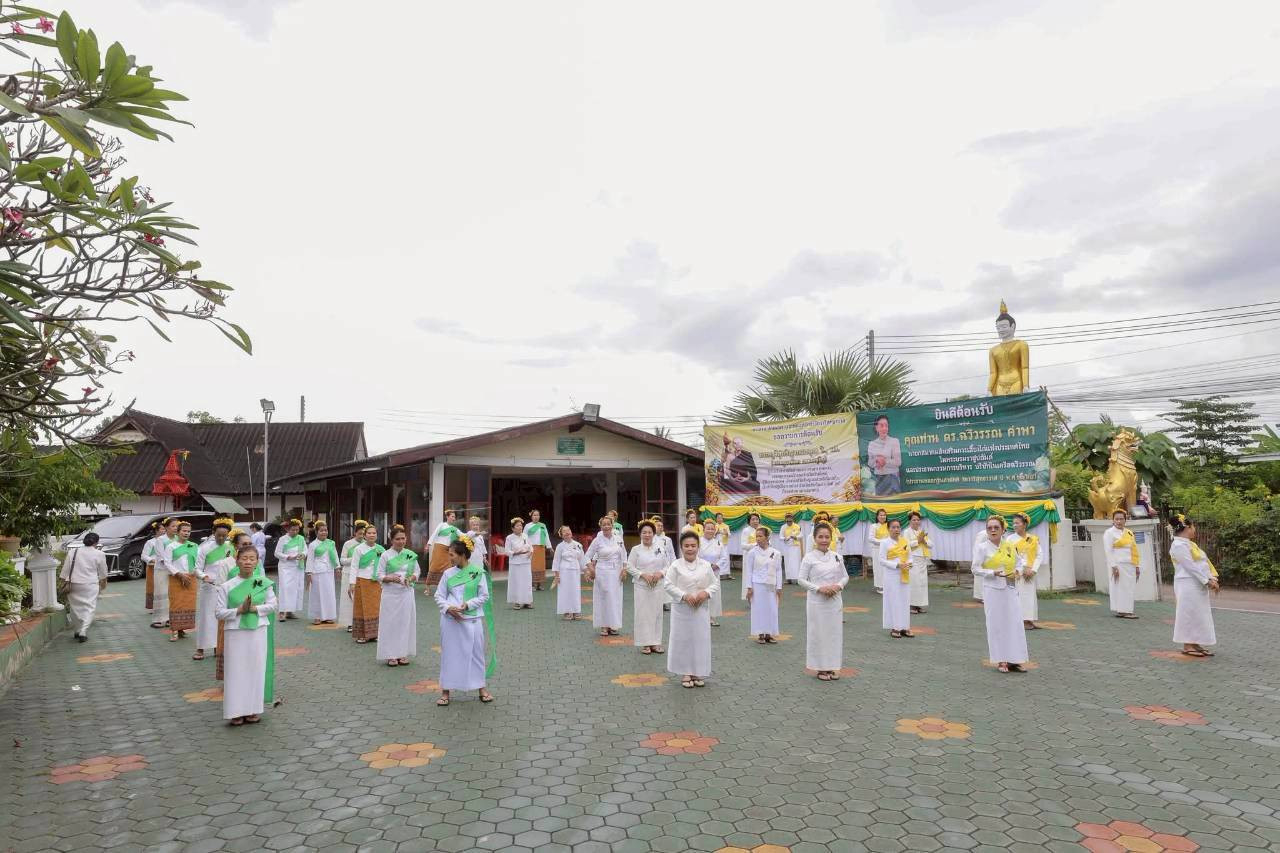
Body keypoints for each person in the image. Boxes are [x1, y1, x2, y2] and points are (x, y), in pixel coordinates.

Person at [215, 544, 277, 726]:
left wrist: (255, 609)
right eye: (244, 558)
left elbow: (273, 605)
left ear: (257, 562)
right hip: (235, 633)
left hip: (258, 631)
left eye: (252, 559)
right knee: (236, 670)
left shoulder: (263, 583)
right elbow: (218, 612)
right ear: (237, 560)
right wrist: (239, 610)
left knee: (255, 669)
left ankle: (253, 709)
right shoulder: (226, 586)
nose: (248, 562)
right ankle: (235, 711)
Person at [434, 537, 495, 705]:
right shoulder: (448, 574)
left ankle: (481, 688)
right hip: (450, 620)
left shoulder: (478, 572)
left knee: (476, 654)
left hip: (472, 619)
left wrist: (467, 605)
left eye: (452, 554)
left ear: (462, 555)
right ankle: (446, 691)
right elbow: (439, 595)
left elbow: (484, 596)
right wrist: (448, 608)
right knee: (450, 654)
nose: (450, 558)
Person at [971, 516, 1029, 673]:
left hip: (1010, 588)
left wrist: (1018, 571)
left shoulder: (1010, 546)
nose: (993, 530)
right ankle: (1001, 660)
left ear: (1003, 529)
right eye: (989, 528)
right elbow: (975, 569)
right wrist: (992, 573)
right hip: (992, 590)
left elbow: (1020, 563)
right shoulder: (982, 548)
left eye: (996, 527)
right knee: (997, 625)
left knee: (1014, 623)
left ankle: (1015, 660)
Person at [663, 530, 720, 688]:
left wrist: (705, 593)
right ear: (681, 547)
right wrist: (684, 595)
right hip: (682, 610)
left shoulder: (705, 565)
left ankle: (697, 671)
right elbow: (667, 584)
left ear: (698, 547)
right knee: (683, 640)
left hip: (700, 609)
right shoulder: (675, 565)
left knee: (700, 640)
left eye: (693, 545)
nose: (690, 549)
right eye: (686, 546)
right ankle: (685, 672)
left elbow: (715, 584)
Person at [797, 522, 847, 680]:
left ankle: (832, 666)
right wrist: (819, 589)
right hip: (817, 602)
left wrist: (838, 586)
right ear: (814, 538)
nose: (824, 540)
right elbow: (801, 580)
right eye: (820, 537)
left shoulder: (837, 557)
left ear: (831, 538)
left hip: (834, 600)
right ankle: (820, 668)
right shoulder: (809, 557)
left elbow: (845, 577)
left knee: (833, 634)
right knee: (818, 633)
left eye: (827, 537)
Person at [1169, 513, 1218, 658]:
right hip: (1187, 583)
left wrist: (1212, 577)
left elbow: (1203, 563)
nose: (1194, 529)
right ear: (1187, 528)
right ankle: (1187, 644)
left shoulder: (1191, 544)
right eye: (1193, 526)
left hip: (1197, 583)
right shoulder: (1178, 545)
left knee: (1199, 613)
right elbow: (1190, 566)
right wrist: (1207, 581)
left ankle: (1195, 642)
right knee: (1188, 612)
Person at [375, 524, 419, 667]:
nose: (401, 541)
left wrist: (410, 579)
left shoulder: (410, 554)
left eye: (403, 538)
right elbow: (379, 575)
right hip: (390, 594)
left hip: (406, 593)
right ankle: (390, 654)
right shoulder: (385, 555)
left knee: (405, 622)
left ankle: (402, 653)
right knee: (390, 623)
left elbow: (416, 573)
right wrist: (390, 578)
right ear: (391, 540)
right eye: (397, 539)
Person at [193, 519, 235, 660]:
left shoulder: (230, 547)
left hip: (225, 587)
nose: (222, 538)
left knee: (222, 617)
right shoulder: (204, 548)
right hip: (209, 588)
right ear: (213, 533)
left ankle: (219, 646)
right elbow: (197, 568)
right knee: (206, 618)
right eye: (219, 535)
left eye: (225, 536)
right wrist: (204, 576)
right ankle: (200, 648)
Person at [216, 530, 254, 681]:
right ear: (235, 545)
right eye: (244, 544)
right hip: (231, 612)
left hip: (251, 612)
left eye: (250, 544)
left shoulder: (255, 561)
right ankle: (229, 680)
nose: (248, 547)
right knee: (229, 646)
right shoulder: (226, 563)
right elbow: (220, 586)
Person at [626, 520, 667, 655]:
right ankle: (645, 644)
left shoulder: (660, 548)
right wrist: (642, 574)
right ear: (640, 534)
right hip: (641, 587)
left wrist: (660, 573)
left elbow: (668, 565)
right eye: (644, 532)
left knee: (657, 614)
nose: (647, 535)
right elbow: (629, 566)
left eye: (649, 532)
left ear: (654, 534)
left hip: (658, 586)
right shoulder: (635, 550)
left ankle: (655, 642)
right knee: (643, 615)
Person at [59, 532, 109, 642]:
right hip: (90, 585)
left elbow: (65, 570)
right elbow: (103, 572)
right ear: (96, 542)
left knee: (74, 607)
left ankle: (77, 630)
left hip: (73, 584)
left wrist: (62, 581)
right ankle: (83, 631)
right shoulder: (99, 554)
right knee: (89, 608)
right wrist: (103, 582)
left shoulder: (73, 552)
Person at [585, 515, 626, 636]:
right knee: (603, 598)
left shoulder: (618, 539)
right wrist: (591, 569)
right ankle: (603, 625)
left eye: (609, 524)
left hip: (616, 572)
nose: (606, 526)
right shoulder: (597, 540)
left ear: (612, 525)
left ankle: (614, 625)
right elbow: (586, 556)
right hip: (602, 572)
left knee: (615, 598)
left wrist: (624, 569)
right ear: (601, 526)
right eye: (604, 524)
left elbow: (624, 555)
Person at [744, 526, 784, 644]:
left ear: (767, 537)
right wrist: (749, 587)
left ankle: (769, 633)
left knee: (771, 609)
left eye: (760, 536)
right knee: (759, 609)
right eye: (757, 536)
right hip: (757, 584)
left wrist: (779, 587)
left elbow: (778, 570)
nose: (758, 538)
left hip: (771, 585)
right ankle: (760, 634)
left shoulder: (776, 553)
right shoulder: (752, 553)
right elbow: (749, 570)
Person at [879, 519, 913, 639]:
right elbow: (881, 560)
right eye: (893, 527)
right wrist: (896, 565)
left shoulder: (905, 541)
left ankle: (905, 627)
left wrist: (909, 563)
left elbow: (910, 557)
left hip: (904, 574)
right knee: (894, 600)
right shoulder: (884, 543)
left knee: (904, 600)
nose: (896, 529)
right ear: (888, 529)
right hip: (891, 575)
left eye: (898, 527)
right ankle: (895, 627)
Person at [166, 521, 200, 643]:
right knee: (176, 604)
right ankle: (174, 630)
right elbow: (167, 563)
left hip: (191, 579)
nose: (186, 533)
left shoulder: (194, 546)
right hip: (176, 578)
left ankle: (182, 629)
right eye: (184, 531)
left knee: (188, 604)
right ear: (178, 532)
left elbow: (198, 564)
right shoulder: (171, 546)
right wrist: (179, 574)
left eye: (188, 531)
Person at [351, 525, 384, 644]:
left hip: (376, 582)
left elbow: (384, 565)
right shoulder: (359, 549)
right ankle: (362, 634)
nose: (372, 535)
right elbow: (354, 566)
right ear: (364, 535)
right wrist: (352, 583)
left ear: (376, 535)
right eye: (369, 533)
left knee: (376, 608)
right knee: (361, 608)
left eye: (374, 533)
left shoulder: (380, 549)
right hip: (362, 580)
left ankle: (374, 634)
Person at [1104, 509, 1140, 619]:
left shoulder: (1129, 532)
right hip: (1118, 564)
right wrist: (1114, 567)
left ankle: (1126, 610)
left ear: (1125, 520)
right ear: (1113, 520)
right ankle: (1123, 611)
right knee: (1120, 588)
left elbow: (1134, 549)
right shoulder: (1109, 533)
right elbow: (1108, 551)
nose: (1119, 521)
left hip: (1130, 564)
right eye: (1117, 519)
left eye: (1121, 519)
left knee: (1129, 588)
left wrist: (1137, 566)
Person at [1009, 513, 1042, 629]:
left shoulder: (1033, 539)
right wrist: (1023, 569)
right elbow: (1010, 556)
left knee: (1030, 596)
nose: (1014, 525)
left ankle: (1029, 619)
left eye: (1017, 523)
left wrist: (1032, 570)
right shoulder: (1010, 539)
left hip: (1030, 573)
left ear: (1024, 525)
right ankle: (1021, 621)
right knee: (1020, 596)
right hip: (1018, 573)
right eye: (1013, 523)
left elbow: (1039, 555)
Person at [305, 521, 340, 625]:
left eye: (325, 530)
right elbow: (310, 559)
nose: (324, 532)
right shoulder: (313, 545)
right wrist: (309, 573)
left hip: (328, 571)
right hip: (317, 572)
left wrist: (337, 567)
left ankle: (328, 616)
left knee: (329, 594)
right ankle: (317, 616)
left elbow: (335, 555)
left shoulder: (331, 543)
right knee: (317, 594)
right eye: (321, 531)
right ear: (316, 532)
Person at [273, 518, 307, 621]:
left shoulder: (301, 538)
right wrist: (288, 557)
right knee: (285, 588)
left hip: (297, 567)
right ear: (288, 529)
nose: (295, 532)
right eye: (293, 530)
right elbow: (277, 553)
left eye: (297, 530)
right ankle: (281, 612)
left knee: (296, 589)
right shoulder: (283, 539)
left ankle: (290, 611)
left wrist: (303, 554)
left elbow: (306, 549)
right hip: (286, 567)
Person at [698, 520, 730, 627]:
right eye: (708, 528)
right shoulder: (698, 541)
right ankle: (700, 616)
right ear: (704, 529)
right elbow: (695, 555)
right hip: (701, 571)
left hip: (714, 572)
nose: (710, 531)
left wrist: (716, 565)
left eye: (712, 529)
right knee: (701, 593)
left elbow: (724, 557)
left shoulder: (718, 542)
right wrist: (705, 566)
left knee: (713, 595)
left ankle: (712, 617)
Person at [148, 517, 178, 629]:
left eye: (176, 526)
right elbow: (161, 557)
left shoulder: (177, 539)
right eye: (173, 526)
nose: (175, 528)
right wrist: (172, 567)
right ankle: (159, 619)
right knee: (161, 594)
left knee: (172, 595)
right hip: (162, 570)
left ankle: (170, 618)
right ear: (166, 527)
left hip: (174, 571)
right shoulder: (160, 540)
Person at [338, 520, 368, 632]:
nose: (361, 536)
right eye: (359, 533)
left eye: (363, 534)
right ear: (355, 533)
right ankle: (349, 623)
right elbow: (342, 560)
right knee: (349, 599)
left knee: (360, 599)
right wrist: (354, 559)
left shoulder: (367, 545)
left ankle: (361, 621)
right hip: (348, 573)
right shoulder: (348, 544)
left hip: (362, 574)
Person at [551, 525, 585, 620]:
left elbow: (582, 559)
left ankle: (576, 611)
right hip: (564, 571)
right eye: (564, 531)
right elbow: (556, 561)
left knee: (575, 590)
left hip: (575, 571)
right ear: (561, 535)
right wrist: (557, 575)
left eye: (568, 530)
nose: (567, 532)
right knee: (565, 591)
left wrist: (586, 571)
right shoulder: (560, 546)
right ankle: (567, 611)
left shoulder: (578, 545)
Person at [425, 509, 461, 591]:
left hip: (448, 550)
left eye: (454, 517)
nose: (453, 518)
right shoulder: (441, 525)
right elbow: (434, 533)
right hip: (439, 548)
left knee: (448, 568)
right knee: (434, 566)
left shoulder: (454, 529)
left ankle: (446, 586)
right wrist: (428, 544)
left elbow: (463, 535)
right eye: (452, 516)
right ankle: (427, 587)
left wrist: (474, 533)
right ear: (447, 517)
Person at [867, 415, 902, 495]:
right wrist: (876, 460)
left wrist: (884, 461)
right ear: (876, 428)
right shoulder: (872, 444)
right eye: (881, 426)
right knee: (881, 505)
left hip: (893, 478)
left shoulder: (894, 441)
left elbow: (898, 462)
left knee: (894, 505)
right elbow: (870, 464)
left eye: (886, 426)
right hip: (878, 479)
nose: (884, 428)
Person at [504, 517, 534, 610]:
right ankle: (517, 602)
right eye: (517, 526)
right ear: (513, 528)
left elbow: (531, 547)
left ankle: (527, 601)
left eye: (521, 525)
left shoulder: (525, 535)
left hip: (526, 562)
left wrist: (531, 552)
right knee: (516, 582)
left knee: (527, 582)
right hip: (515, 563)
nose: (520, 527)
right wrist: (516, 553)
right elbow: (507, 551)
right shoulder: (509, 538)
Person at [905, 512, 931, 614]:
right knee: (914, 583)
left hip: (922, 559)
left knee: (922, 583)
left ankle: (919, 605)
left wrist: (924, 541)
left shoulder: (921, 531)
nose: (916, 522)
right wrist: (918, 541)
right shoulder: (907, 532)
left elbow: (931, 544)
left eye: (918, 520)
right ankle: (911, 606)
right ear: (910, 521)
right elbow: (906, 545)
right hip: (913, 559)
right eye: (914, 520)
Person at [140, 519, 164, 616]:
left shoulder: (168, 541)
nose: (164, 531)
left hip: (164, 567)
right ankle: (153, 607)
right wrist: (152, 560)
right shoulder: (150, 542)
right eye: (162, 529)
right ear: (156, 531)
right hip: (153, 568)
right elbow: (144, 555)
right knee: (153, 586)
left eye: (164, 529)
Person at [525, 509, 551, 591]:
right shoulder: (527, 526)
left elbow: (546, 536)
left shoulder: (543, 525)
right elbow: (524, 537)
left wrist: (549, 546)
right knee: (532, 566)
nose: (536, 517)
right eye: (534, 515)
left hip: (541, 548)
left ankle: (539, 584)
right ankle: (532, 584)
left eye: (537, 515)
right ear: (531, 516)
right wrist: (526, 548)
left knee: (540, 566)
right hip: (531, 548)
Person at [867, 508, 889, 595]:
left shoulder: (889, 525)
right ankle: (880, 586)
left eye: (884, 515)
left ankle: (887, 585)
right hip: (877, 550)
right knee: (878, 568)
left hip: (888, 550)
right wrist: (883, 542)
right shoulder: (874, 526)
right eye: (881, 515)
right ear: (877, 516)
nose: (883, 516)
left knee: (887, 567)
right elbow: (871, 538)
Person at [779, 513, 803, 584]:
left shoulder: (797, 526)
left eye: (790, 521)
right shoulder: (783, 527)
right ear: (785, 520)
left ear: (793, 520)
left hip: (796, 547)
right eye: (787, 521)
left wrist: (795, 537)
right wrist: (784, 538)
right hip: (787, 547)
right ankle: (788, 579)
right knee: (787, 563)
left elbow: (801, 535)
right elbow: (780, 536)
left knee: (796, 563)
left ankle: (797, 579)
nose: (789, 522)